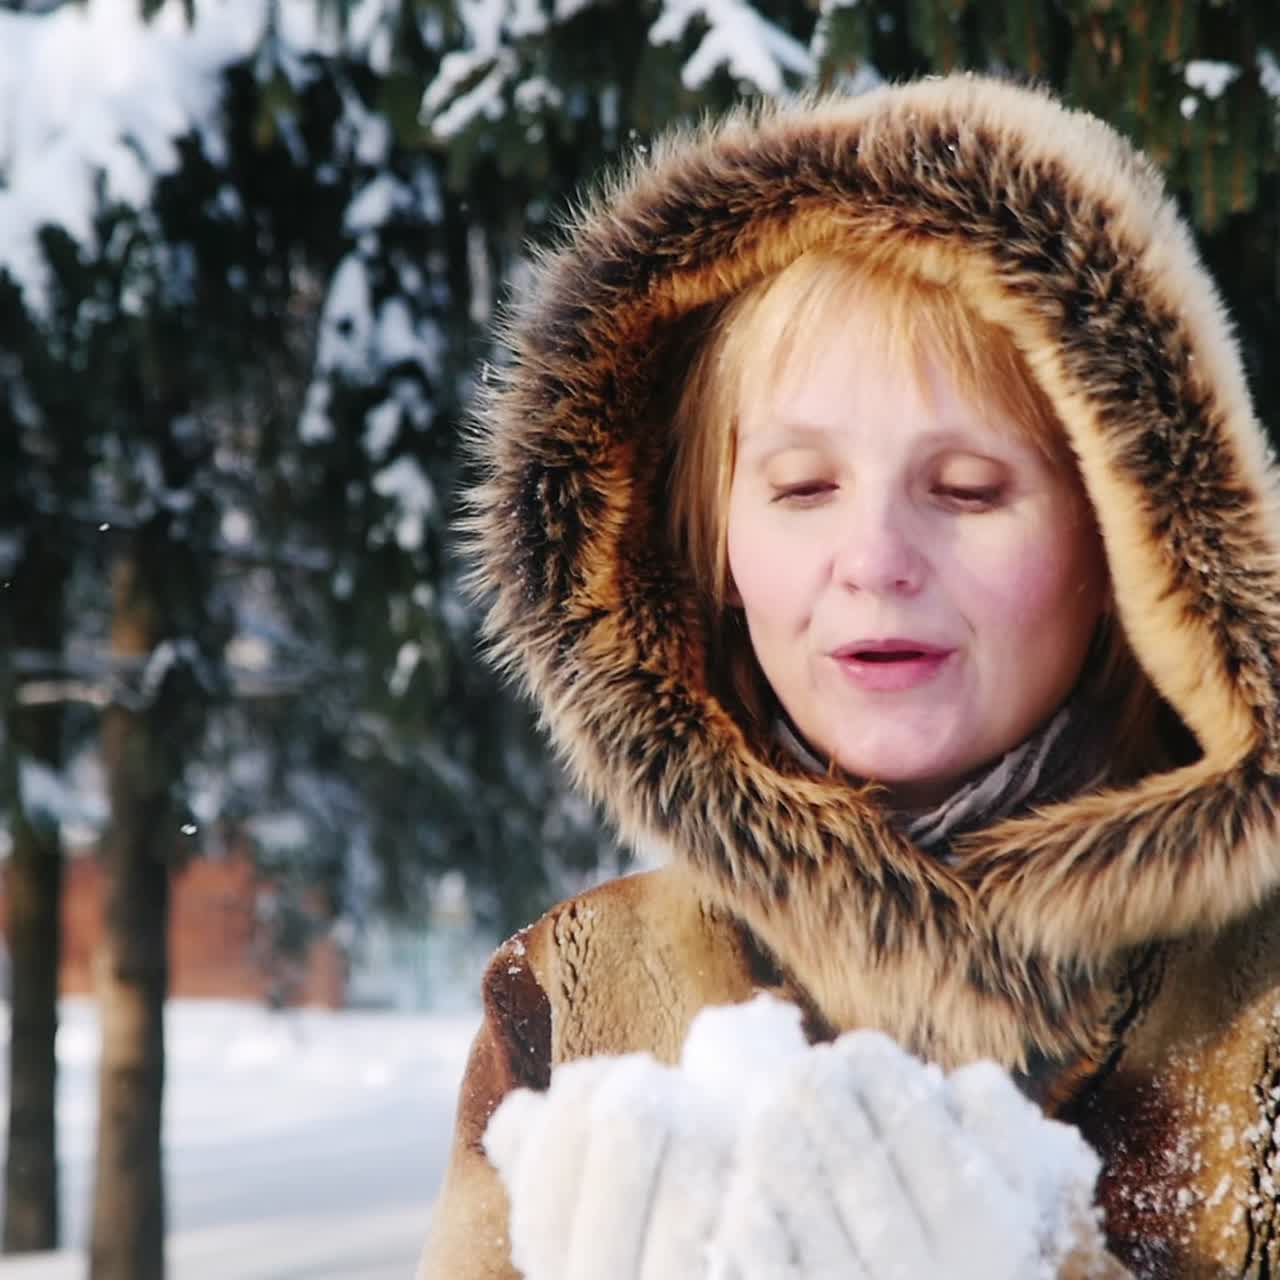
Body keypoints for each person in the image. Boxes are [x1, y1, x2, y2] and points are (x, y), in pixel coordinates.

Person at [419, 72, 1280, 1280]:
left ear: (1129, 543)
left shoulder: (1260, 1005)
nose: (874, 561)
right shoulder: (575, 999)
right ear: (709, 544)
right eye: (801, 487)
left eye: (968, 489)